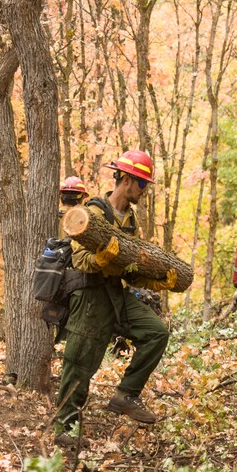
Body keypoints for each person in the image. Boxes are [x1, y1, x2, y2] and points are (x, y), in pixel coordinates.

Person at [55, 150, 177, 444]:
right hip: (89, 293)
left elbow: (131, 268)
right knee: (80, 363)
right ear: (126, 180)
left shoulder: (131, 220)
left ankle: (126, 394)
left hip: (116, 293)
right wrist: (100, 259)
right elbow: (81, 260)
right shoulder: (92, 213)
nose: (144, 191)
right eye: (143, 184)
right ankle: (65, 430)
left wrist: (156, 280)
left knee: (156, 332)